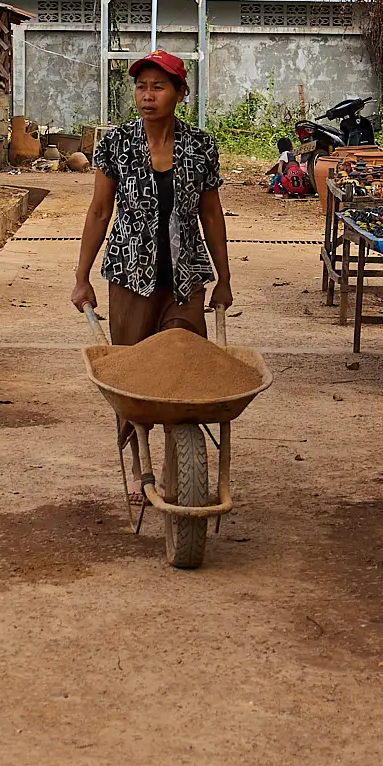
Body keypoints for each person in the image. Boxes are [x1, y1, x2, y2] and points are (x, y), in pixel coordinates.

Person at [72, 51, 234, 481]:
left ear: (180, 92)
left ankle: (178, 468)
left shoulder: (200, 146)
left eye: (158, 87)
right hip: (130, 280)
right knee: (132, 379)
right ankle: (139, 466)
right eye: (141, 86)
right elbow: (100, 211)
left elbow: (211, 214)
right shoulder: (116, 144)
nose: (147, 95)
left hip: (185, 281)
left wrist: (224, 279)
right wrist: (81, 278)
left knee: (184, 376)